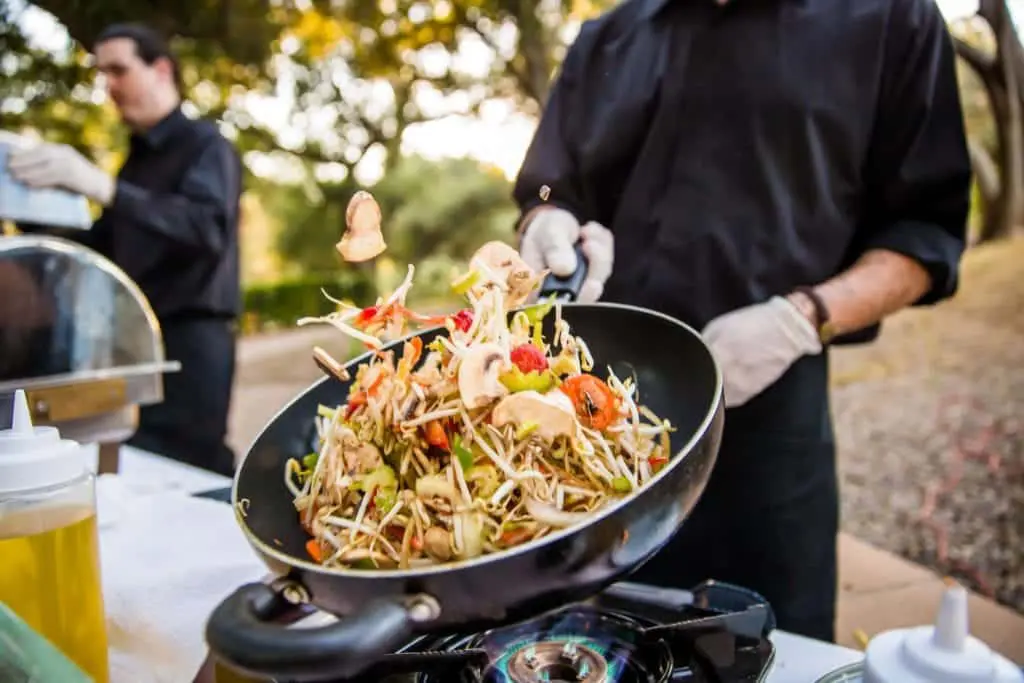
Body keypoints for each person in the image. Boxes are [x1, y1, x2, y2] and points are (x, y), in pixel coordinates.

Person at [513, 0, 971, 642]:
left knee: (768, 650)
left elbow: (927, 233)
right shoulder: (606, 38)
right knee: (585, 648)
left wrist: (804, 318)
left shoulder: (893, 19)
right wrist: (549, 225)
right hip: (583, 427)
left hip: (767, 426)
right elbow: (550, 193)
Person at [7, 23, 243, 477]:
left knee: (191, 468)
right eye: (102, 74)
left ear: (160, 70)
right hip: (132, 345)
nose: (109, 86)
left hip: (190, 346)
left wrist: (102, 185)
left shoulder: (206, 146)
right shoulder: (135, 161)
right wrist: (31, 209)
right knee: (142, 466)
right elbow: (103, 248)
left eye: (119, 70)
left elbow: (204, 228)